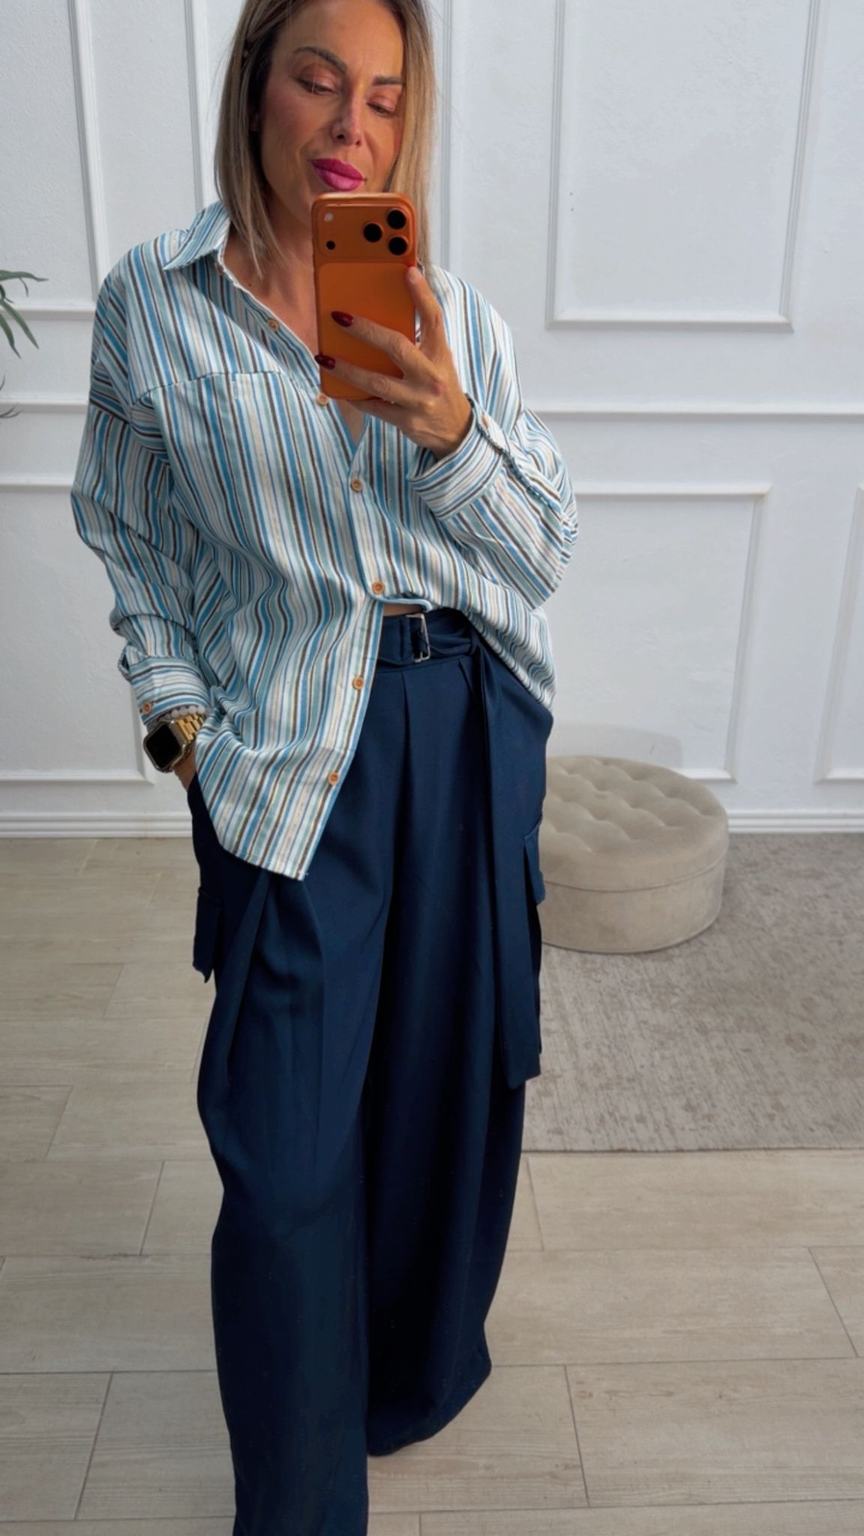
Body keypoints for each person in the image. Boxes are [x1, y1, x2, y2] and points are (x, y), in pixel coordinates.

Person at [70, 1, 578, 1530]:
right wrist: (181, 731)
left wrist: (451, 430)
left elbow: (543, 551)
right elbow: (130, 536)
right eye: (318, 80)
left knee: (439, 1099)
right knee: (283, 1155)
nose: (352, 126)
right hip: (287, 749)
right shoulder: (153, 304)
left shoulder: (445, 313)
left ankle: (393, 1381)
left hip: (462, 725)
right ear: (257, 87)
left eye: (385, 96)